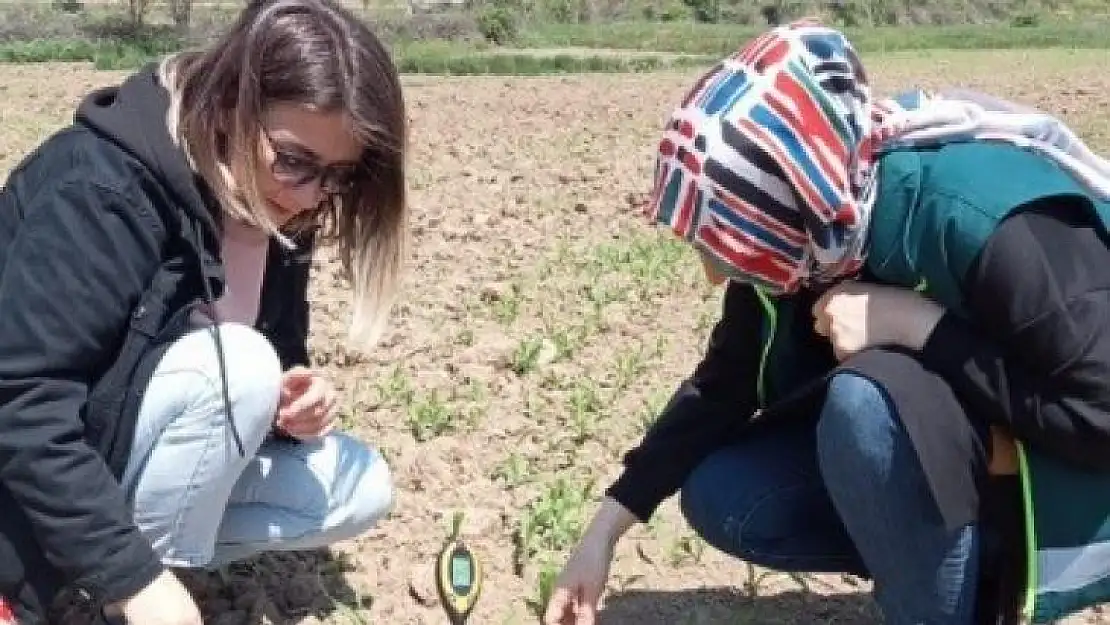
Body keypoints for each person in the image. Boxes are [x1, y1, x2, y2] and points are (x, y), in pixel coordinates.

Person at [544, 19, 1110, 625]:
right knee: (727, 492)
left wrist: (921, 327)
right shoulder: (811, 239)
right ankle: (957, 573)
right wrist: (605, 528)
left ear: (788, 194)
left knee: (864, 408)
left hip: (1080, 480)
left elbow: (1101, 411)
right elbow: (724, 386)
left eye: (725, 239)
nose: (715, 274)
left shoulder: (978, 220)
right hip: (980, 457)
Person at [0, 0, 408, 623]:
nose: (311, 194)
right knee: (240, 364)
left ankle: (131, 578)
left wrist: (290, 403)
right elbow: (22, 403)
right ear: (228, 105)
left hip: (119, 459)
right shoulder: (101, 191)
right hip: (24, 493)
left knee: (361, 485)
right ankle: (111, 592)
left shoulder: (281, 210)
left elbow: (255, 366)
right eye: (295, 160)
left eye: (338, 175)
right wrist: (132, 579)